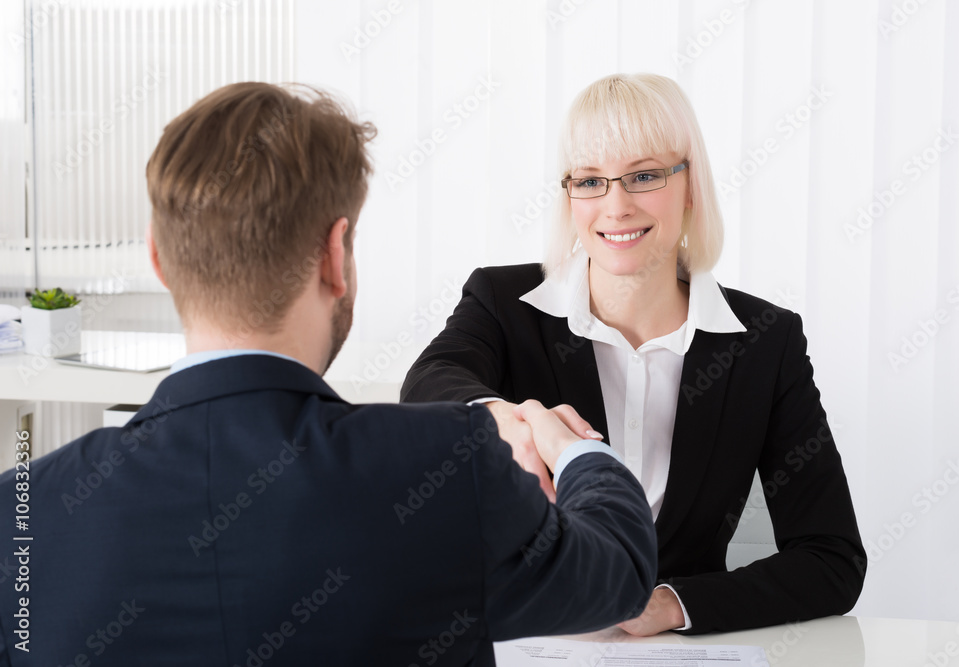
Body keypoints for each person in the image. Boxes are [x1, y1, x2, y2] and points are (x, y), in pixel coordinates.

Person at [0, 82, 659, 665]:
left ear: (159, 259)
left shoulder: (21, 515)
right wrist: (571, 451)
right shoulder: (450, 466)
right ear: (335, 256)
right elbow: (623, 570)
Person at [401, 73, 866, 635]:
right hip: (522, 638)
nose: (615, 206)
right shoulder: (504, 303)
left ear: (690, 185)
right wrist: (516, 419)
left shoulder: (764, 341)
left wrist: (672, 604)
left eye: (643, 176)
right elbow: (431, 380)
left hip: (673, 652)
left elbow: (831, 558)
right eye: (590, 181)